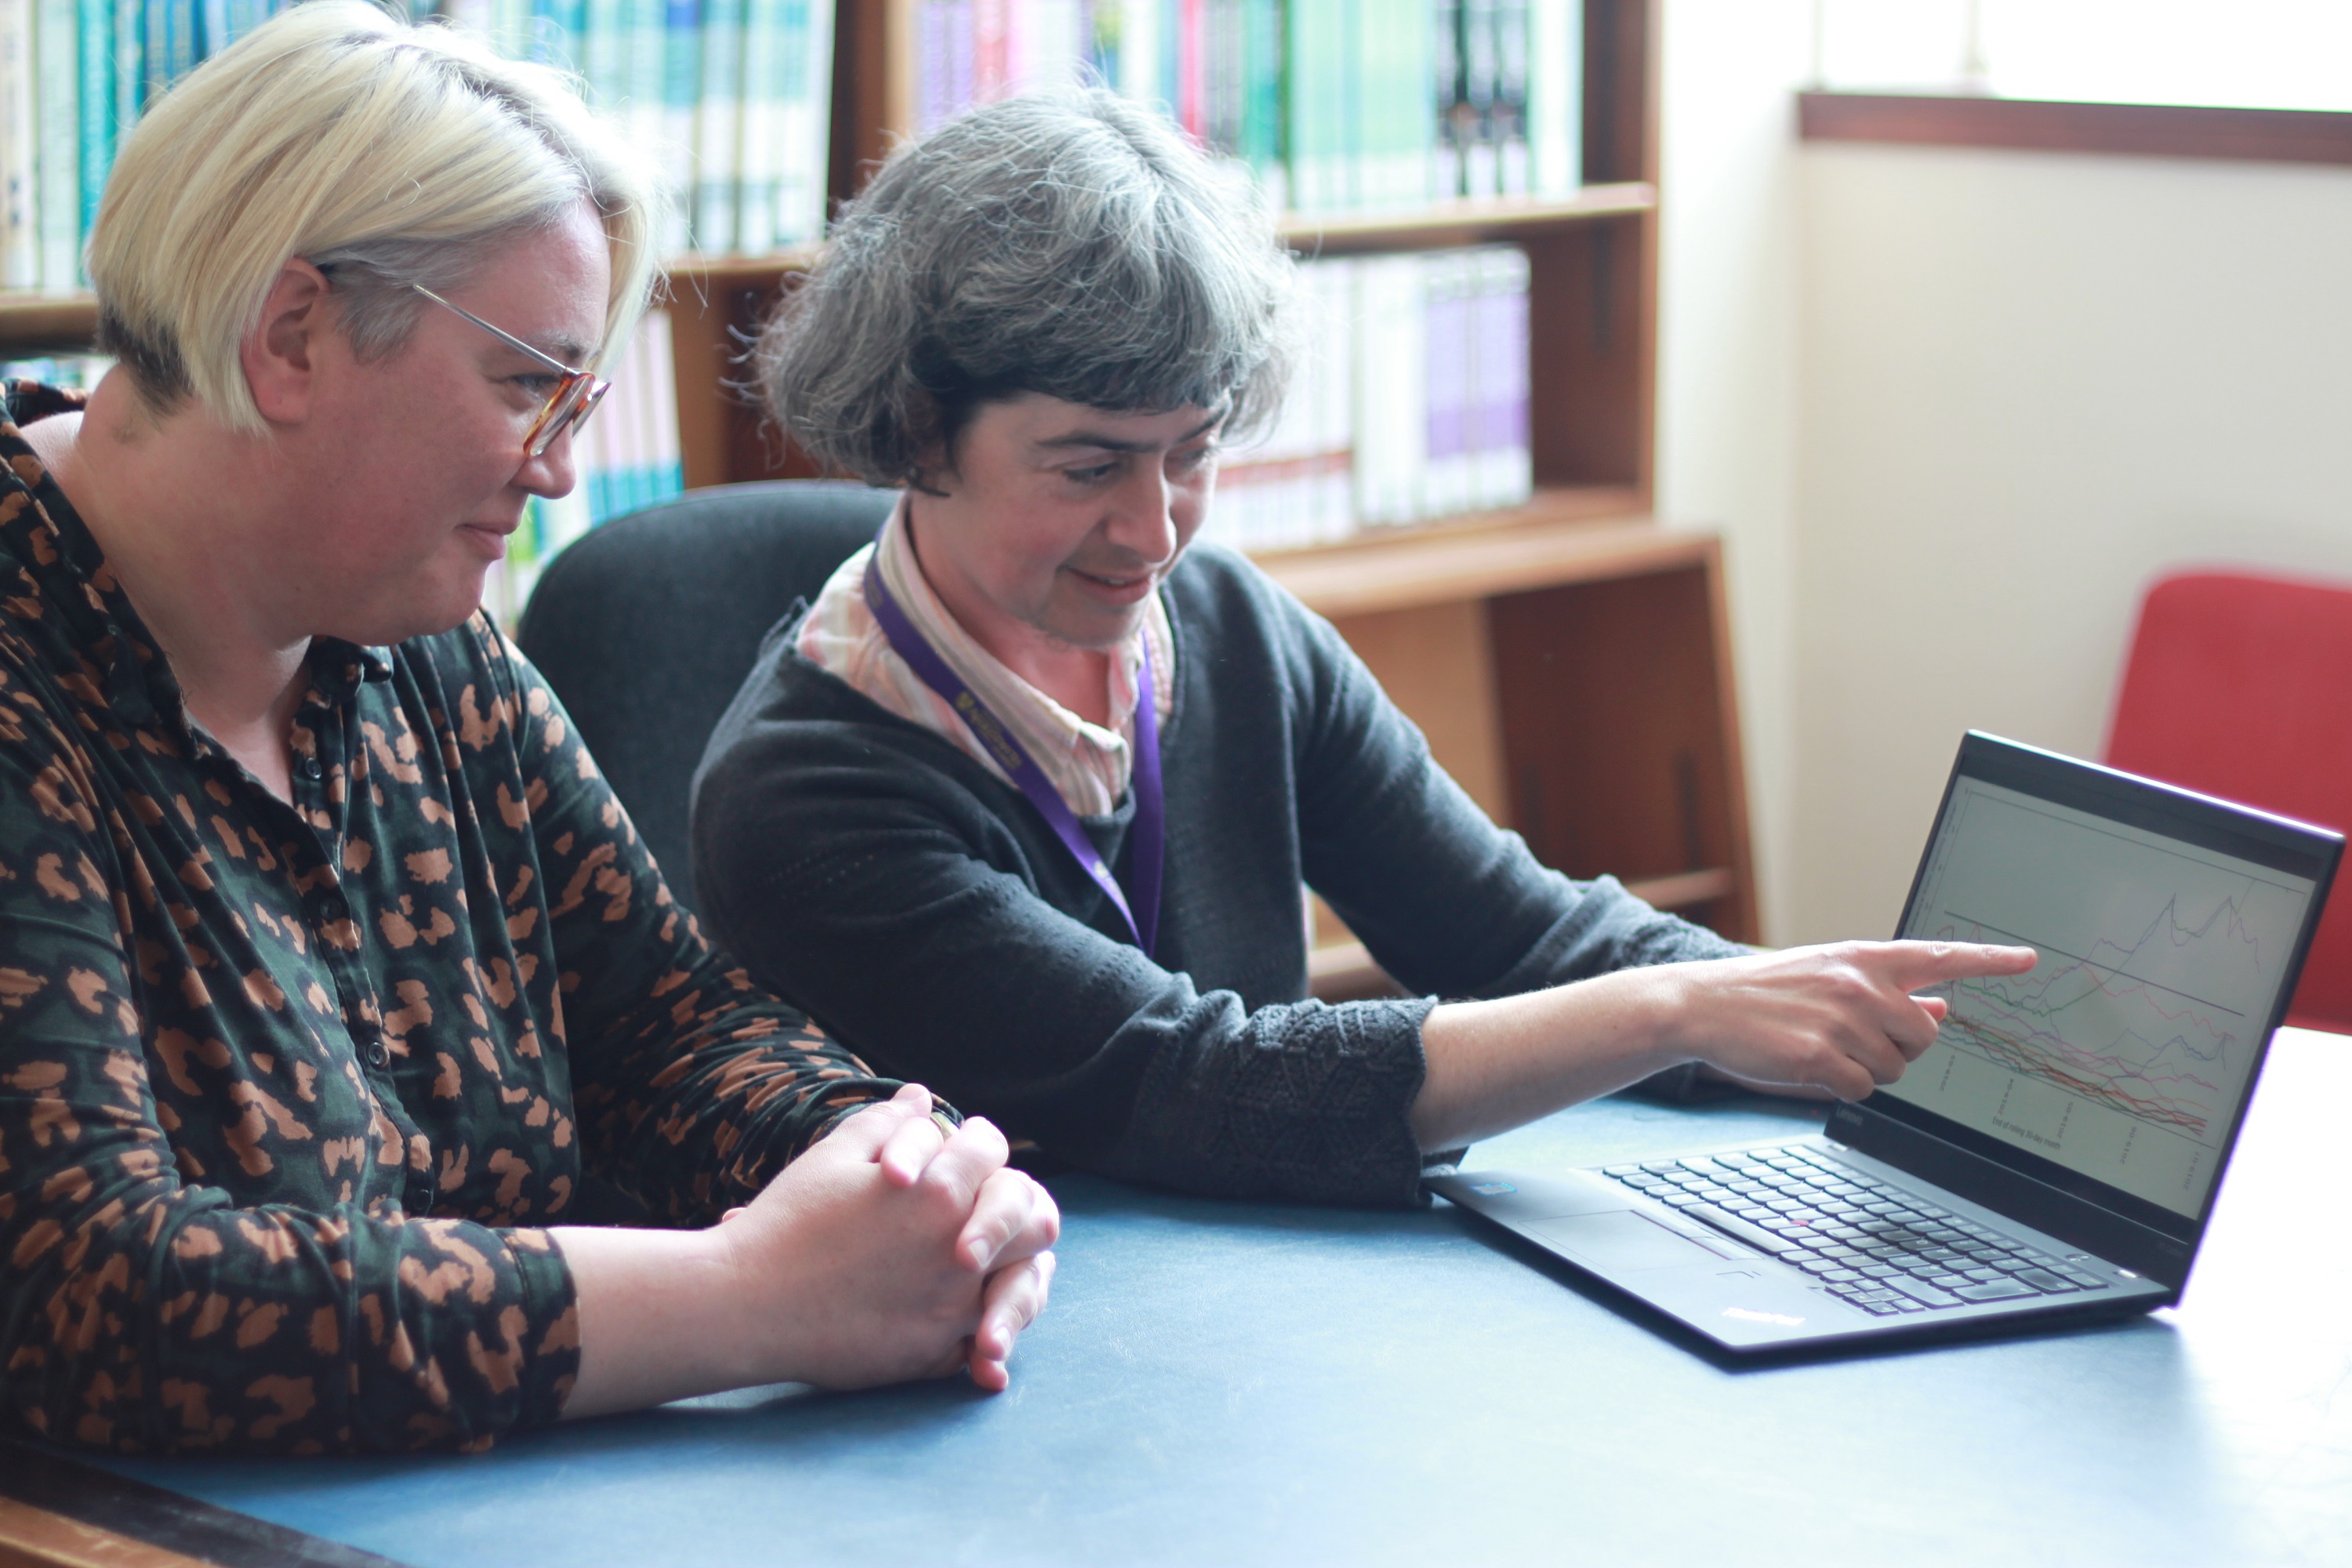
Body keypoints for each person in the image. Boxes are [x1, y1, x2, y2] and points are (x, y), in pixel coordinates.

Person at [0, 5, 1054, 1457]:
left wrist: (891, 1170)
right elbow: (83, 1289)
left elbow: (668, 1028)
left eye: (580, 400)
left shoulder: (425, 641)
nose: (560, 470)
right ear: (292, 336)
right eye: (524, 386)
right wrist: (749, 1297)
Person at [690, 90, 2038, 1206]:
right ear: (921, 431)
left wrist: (1855, 1020)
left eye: (1194, 453)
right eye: (1089, 464)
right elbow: (1199, 1083)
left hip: (1264, 1299)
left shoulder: (1231, 631)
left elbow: (1524, 935)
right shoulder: (806, 794)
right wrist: (1674, 1011)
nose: (1155, 530)